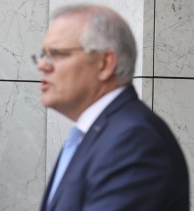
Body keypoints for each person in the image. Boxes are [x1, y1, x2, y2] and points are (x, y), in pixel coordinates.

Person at [34, 4, 189, 211]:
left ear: (105, 63)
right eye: (44, 54)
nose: (42, 65)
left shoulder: (134, 140)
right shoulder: (95, 134)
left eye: (57, 54)